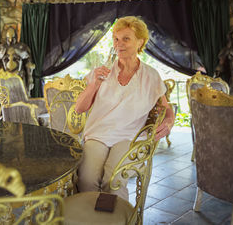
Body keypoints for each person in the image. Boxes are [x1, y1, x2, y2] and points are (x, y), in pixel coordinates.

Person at [75, 16, 175, 200]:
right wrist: (93, 85)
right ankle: (92, 217)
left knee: (113, 181)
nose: (119, 44)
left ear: (140, 42)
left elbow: (167, 108)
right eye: (116, 39)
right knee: (86, 180)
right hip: (98, 134)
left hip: (129, 137)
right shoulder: (102, 70)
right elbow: (79, 109)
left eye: (126, 39)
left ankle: (116, 219)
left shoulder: (151, 76)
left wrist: (169, 121)